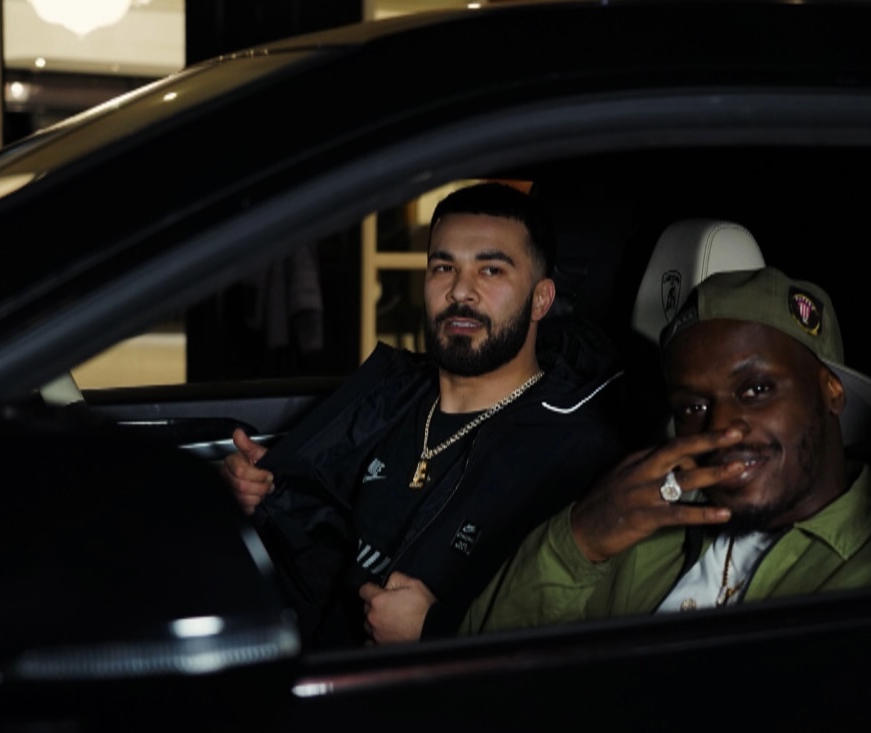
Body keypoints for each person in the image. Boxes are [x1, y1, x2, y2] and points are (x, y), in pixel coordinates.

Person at [222, 181, 626, 646]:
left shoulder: (576, 451)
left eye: (491, 270)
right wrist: (270, 496)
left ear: (541, 299)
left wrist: (436, 633)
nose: (460, 291)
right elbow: (325, 550)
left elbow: (578, 638)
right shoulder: (390, 396)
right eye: (443, 267)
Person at [461, 266, 871, 634]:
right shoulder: (635, 540)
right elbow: (485, 675)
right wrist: (579, 540)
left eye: (757, 390)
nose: (722, 426)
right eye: (693, 406)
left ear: (831, 392)